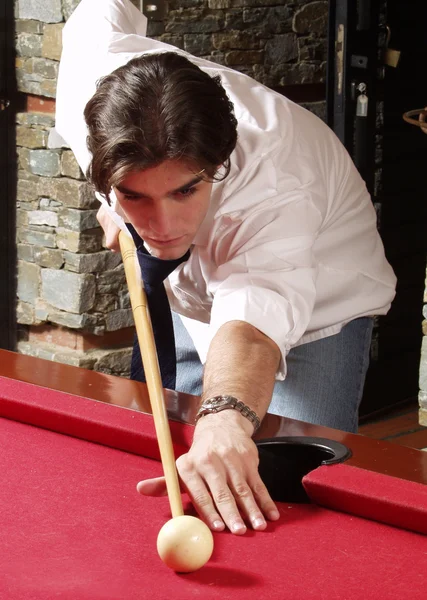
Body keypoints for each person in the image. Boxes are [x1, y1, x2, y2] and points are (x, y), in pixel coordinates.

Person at [56, 0, 396, 536]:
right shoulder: (88, 80)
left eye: (184, 190)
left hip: (317, 302)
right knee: (193, 446)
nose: (161, 225)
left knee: (291, 485)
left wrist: (227, 415)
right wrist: (111, 201)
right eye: (135, 193)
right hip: (196, 289)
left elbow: (254, 320)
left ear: (217, 165)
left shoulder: (276, 183)